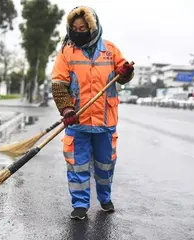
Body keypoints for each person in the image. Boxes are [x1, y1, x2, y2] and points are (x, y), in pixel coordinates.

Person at [51, 6, 134, 220]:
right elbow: (59, 84)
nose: (78, 32)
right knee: (77, 166)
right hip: (77, 121)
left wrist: (126, 72)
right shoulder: (66, 52)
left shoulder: (110, 50)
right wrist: (67, 108)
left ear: (93, 27)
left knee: (105, 166)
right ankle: (80, 205)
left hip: (105, 123)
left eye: (83, 28)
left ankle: (105, 198)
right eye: (74, 28)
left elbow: (122, 75)